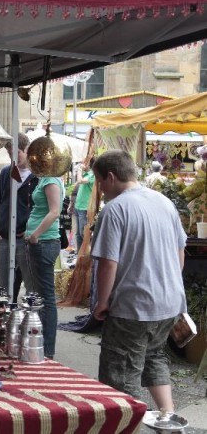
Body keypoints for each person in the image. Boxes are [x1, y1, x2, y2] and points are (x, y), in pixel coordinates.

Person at [91, 150, 186, 413]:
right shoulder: (163, 202)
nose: (100, 188)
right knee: (154, 356)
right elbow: (180, 251)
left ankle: (129, 424)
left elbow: (108, 263)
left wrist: (102, 301)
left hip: (133, 306)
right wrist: (170, 285)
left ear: (111, 177)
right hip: (169, 302)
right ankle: (167, 416)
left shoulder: (115, 209)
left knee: (121, 372)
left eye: (99, 181)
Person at [0, 134, 38, 299]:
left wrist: (33, 229)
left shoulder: (37, 175)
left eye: (17, 153)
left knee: (29, 280)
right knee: (3, 282)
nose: (13, 158)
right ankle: (6, 307)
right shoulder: (6, 172)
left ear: (27, 150)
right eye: (10, 154)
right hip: (4, 234)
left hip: (25, 235)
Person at [24, 164, 64, 360]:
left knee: (46, 298)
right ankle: (42, 346)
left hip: (44, 242)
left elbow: (55, 211)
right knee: (41, 295)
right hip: (41, 241)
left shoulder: (50, 180)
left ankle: (47, 349)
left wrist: (36, 235)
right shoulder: (45, 179)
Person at [72, 158, 95, 252]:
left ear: (89, 164)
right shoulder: (87, 174)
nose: (82, 164)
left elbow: (80, 181)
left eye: (84, 162)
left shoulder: (92, 175)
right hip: (78, 207)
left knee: (83, 233)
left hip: (85, 208)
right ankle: (79, 254)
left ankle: (86, 254)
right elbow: (77, 183)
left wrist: (80, 170)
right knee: (78, 234)